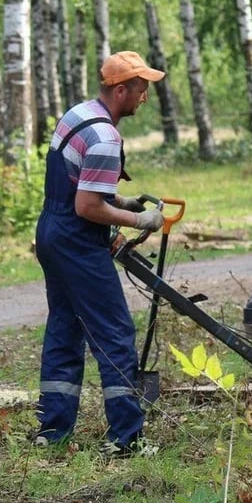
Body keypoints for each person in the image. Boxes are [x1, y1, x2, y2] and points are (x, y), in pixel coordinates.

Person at [33, 50, 166, 458]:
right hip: (77, 238)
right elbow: (88, 207)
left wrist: (121, 201)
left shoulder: (78, 115)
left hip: (52, 232)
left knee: (65, 327)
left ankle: (52, 430)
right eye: (141, 89)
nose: (144, 97)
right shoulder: (107, 138)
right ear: (121, 89)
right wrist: (142, 222)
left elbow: (79, 184)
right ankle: (125, 438)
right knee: (113, 332)